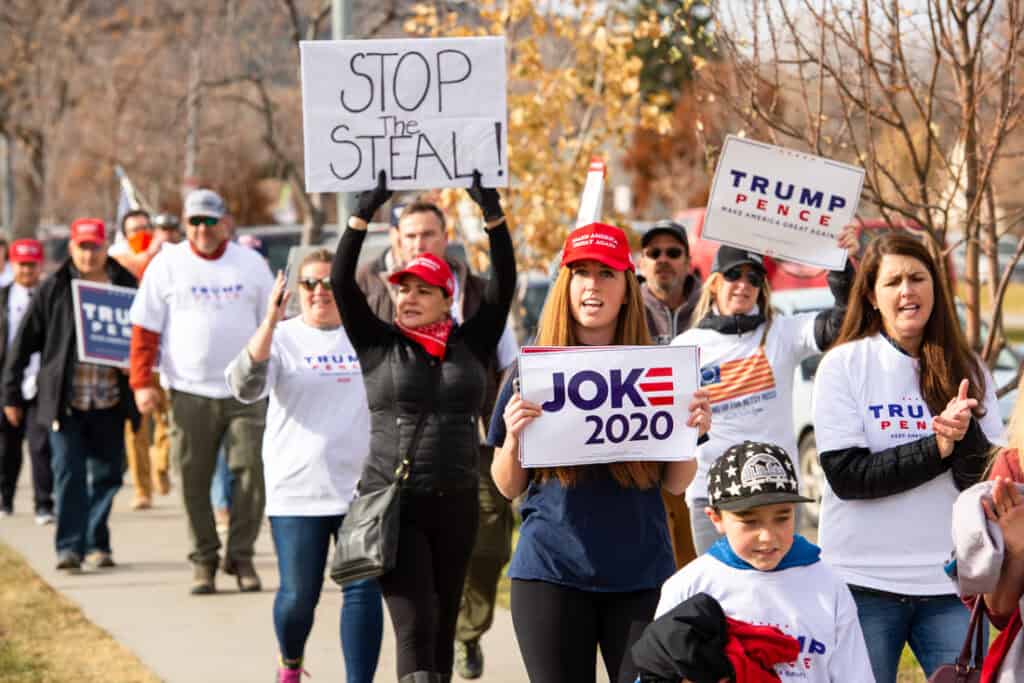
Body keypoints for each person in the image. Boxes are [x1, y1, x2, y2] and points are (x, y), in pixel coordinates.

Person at [490, 221, 712, 683]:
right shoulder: (529, 369)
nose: (593, 284)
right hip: (549, 573)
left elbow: (675, 482)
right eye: (581, 272)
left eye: (607, 273)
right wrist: (513, 439)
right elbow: (508, 486)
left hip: (641, 574)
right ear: (565, 285)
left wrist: (689, 434)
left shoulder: (660, 370)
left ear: (627, 289)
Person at [333, 170, 515, 683]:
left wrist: (493, 217)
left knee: (441, 630)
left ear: (446, 296)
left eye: (423, 290)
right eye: (402, 288)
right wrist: (362, 214)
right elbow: (340, 284)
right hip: (397, 504)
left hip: (457, 500)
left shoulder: (473, 342)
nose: (407, 297)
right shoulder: (377, 344)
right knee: (414, 626)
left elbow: (506, 282)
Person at [812, 232, 1004, 681]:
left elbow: (985, 482)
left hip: (952, 584)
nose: (907, 290)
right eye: (893, 281)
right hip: (862, 583)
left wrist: (965, 435)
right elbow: (849, 477)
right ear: (872, 297)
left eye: (917, 278)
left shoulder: (969, 368)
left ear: (936, 288)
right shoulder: (843, 366)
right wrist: (938, 447)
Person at [226, 249, 383, 683]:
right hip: (297, 490)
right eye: (310, 284)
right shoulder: (281, 338)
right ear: (295, 291)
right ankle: (291, 662)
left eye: (330, 283)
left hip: (359, 490)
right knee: (298, 597)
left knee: (362, 589)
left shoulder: (365, 336)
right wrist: (269, 322)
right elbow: (244, 386)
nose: (320, 292)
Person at [671, 232, 857, 554]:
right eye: (734, 275)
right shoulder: (687, 347)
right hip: (713, 497)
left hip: (777, 493)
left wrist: (839, 263)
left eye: (753, 278)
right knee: (723, 602)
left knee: (776, 599)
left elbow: (843, 322)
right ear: (715, 282)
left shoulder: (781, 332)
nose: (743, 285)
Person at [129, 188, 274, 594]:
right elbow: (145, 328)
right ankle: (204, 559)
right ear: (185, 224)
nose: (202, 229)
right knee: (192, 477)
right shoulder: (167, 265)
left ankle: (241, 555)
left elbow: (273, 322)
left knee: (251, 474)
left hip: (245, 390)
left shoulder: (250, 264)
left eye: (210, 221)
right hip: (189, 389)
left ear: (224, 222)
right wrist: (141, 382)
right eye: (194, 221)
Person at [656, 441, 875, 682]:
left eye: (782, 518)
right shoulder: (687, 588)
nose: (767, 536)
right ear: (715, 517)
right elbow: (658, 671)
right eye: (750, 521)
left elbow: (854, 674)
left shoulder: (829, 586)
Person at [2, 219, 138, 570]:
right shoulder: (56, 287)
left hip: (109, 399)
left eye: (94, 246)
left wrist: (137, 365)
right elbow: (23, 343)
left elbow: (147, 337)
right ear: (72, 248)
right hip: (67, 401)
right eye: (82, 247)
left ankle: (96, 540)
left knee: (108, 475)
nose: (88, 254)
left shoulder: (125, 284)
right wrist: (10, 393)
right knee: (69, 475)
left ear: (105, 245)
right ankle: (69, 548)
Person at [639, 219, 703, 570]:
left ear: (688, 260)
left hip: (703, 456)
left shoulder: (712, 308)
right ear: (642, 261)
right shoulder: (625, 310)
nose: (664, 259)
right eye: (654, 252)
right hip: (647, 458)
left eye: (673, 252)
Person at [109, 209, 172, 510]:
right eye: (134, 229)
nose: (141, 233)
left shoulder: (169, 260)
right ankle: (142, 489)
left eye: (146, 227)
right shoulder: (117, 263)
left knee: (169, 422)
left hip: (168, 356)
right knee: (136, 428)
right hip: (134, 357)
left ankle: (162, 466)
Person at [0, 239, 53, 524]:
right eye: (22, 265)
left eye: (32, 265)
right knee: (7, 447)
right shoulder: (4, 297)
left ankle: (44, 503)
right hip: (9, 382)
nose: (27, 270)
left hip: (40, 383)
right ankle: (5, 497)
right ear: (13, 264)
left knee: (40, 446)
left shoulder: (48, 297)